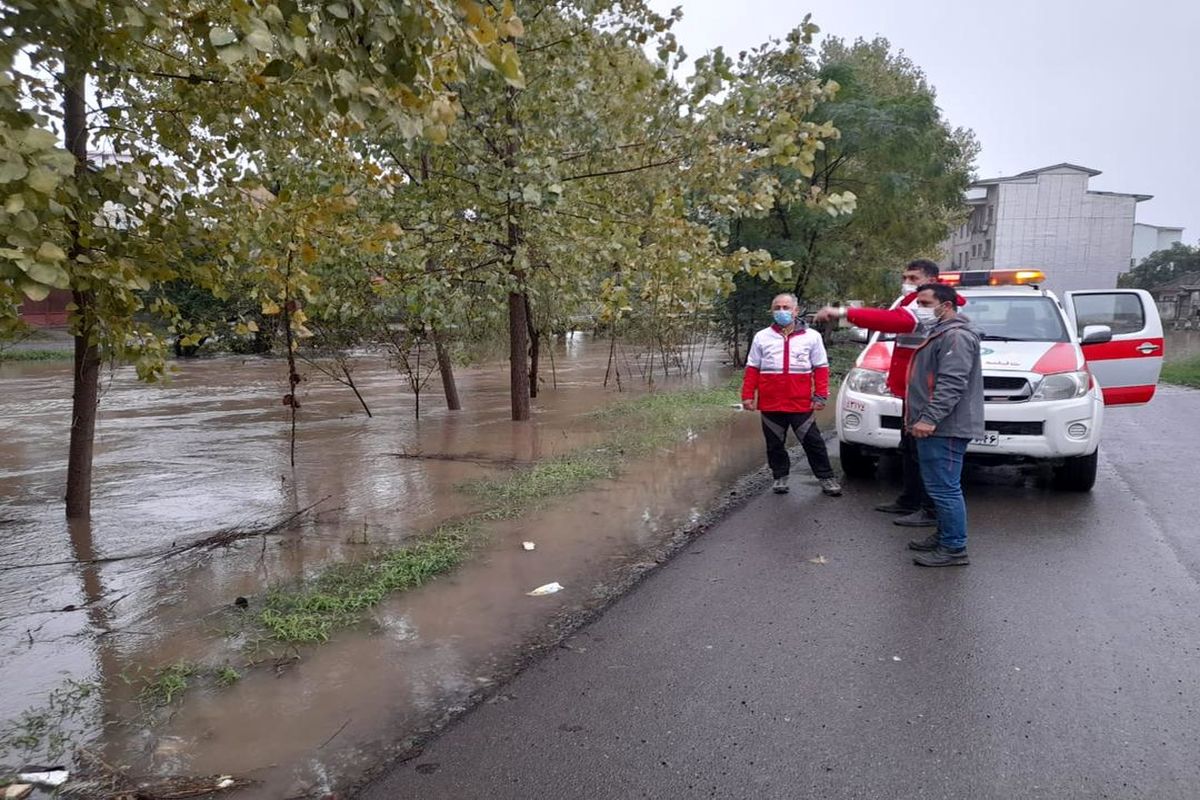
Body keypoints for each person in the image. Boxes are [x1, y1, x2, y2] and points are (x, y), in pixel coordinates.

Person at [813, 259, 965, 529]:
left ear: (931, 280)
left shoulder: (927, 306)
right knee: (909, 447)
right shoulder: (910, 299)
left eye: (913, 277)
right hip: (910, 388)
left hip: (925, 390)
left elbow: (893, 321)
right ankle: (910, 499)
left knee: (925, 453)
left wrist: (843, 312)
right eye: (905, 276)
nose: (907, 281)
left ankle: (929, 509)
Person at [903, 283, 984, 566]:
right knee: (939, 485)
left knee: (945, 488)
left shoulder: (956, 337)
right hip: (939, 425)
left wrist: (929, 418)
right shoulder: (940, 333)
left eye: (924, 303)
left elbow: (951, 383)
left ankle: (954, 548)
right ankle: (945, 536)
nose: (918, 308)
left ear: (946, 306)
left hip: (945, 426)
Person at [741, 293, 842, 497]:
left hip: (800, 402)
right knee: (774, 444)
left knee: (813, 442)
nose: (781, 311)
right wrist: (747, 396)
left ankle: (826, 478)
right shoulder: (762, 337)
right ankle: (780, 477)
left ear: (796, 311)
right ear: (772, 311)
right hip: (771, 403)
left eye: (786, 307)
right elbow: (752, 368)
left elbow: (821, 367)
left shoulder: (812, 337)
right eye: (777, 307)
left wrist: (821, 395)